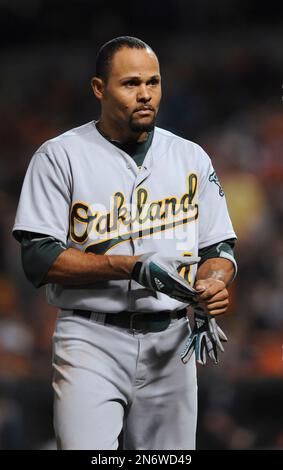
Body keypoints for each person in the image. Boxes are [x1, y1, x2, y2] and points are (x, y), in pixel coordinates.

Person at [12, 36, 237, 450]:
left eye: (153, 82)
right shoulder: (60, 156)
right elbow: (38, 258)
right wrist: (127, 265)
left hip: (173, 342)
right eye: (131, 83)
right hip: (91, 339)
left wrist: (212, 284)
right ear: (99, 88)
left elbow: (218, 250)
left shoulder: (190, 156)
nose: (146, 94)